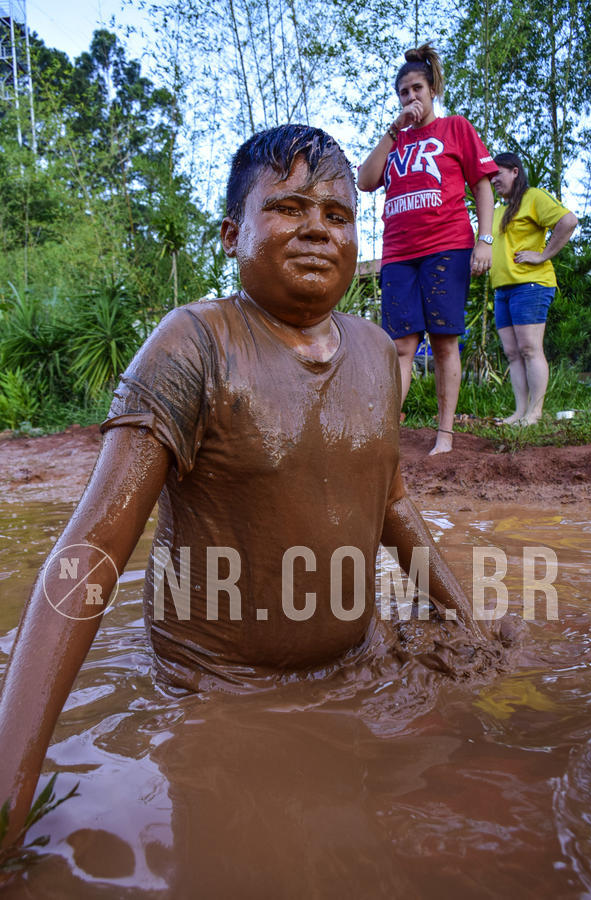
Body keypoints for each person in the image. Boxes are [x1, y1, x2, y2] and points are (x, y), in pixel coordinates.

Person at [0, 124, 485, 850]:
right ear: (232, 234)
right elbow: (92, 549)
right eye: (288, 208)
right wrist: (10, 790)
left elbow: (389, 503)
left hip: (358, 664)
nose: (318, 228)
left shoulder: (378, 352)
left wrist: (466, 626)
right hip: (212, 689)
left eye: (338, 214)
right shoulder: (192, 342)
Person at [357, 43, 497, 455]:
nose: (411, 97)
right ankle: (384, 436)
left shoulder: (456, 128)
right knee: (400, 345)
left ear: (432, 88)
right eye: (404, 92)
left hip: (447, 247)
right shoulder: (395, 140)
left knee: (443, 341)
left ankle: (445, 435)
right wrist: (392, 130)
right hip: (398, 253)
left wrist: (484, 240)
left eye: (417, 88)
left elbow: (482, 185)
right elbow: (366, 180)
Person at [490, 152, 578, 424]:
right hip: (502, 289)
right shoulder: (497, 212)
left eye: (498, 173)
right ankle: (520, 412)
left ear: (515, 171)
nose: (494, 180)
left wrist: (542, 255)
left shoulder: (533, 197)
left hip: (530, 285)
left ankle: (535, 413)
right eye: (491, 176)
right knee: (513, 353)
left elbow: (568, 221)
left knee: (529, 348)